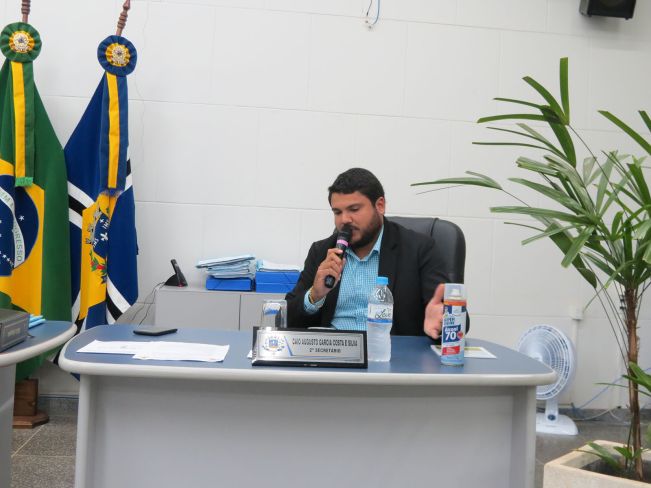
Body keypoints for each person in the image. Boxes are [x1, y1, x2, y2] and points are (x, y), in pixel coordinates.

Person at [286, 167, 457, 339]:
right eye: (337, 212)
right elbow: (288, 318)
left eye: (354, 209)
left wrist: (444, 318)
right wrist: (315, 295)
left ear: (380, 206)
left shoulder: (419, 249)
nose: (344, 219)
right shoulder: (322, 251)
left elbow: (453, 316)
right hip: (334, 350)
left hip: (391, 351)